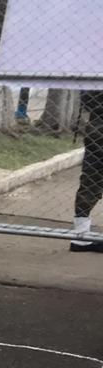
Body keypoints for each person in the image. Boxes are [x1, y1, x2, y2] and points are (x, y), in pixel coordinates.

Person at [70, 91, 103, 253]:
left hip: (96, 135)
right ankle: (80, 238)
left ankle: (80, 237)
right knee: (90, 184)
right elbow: (87, 99)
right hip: (98, 136)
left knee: (90, 184)